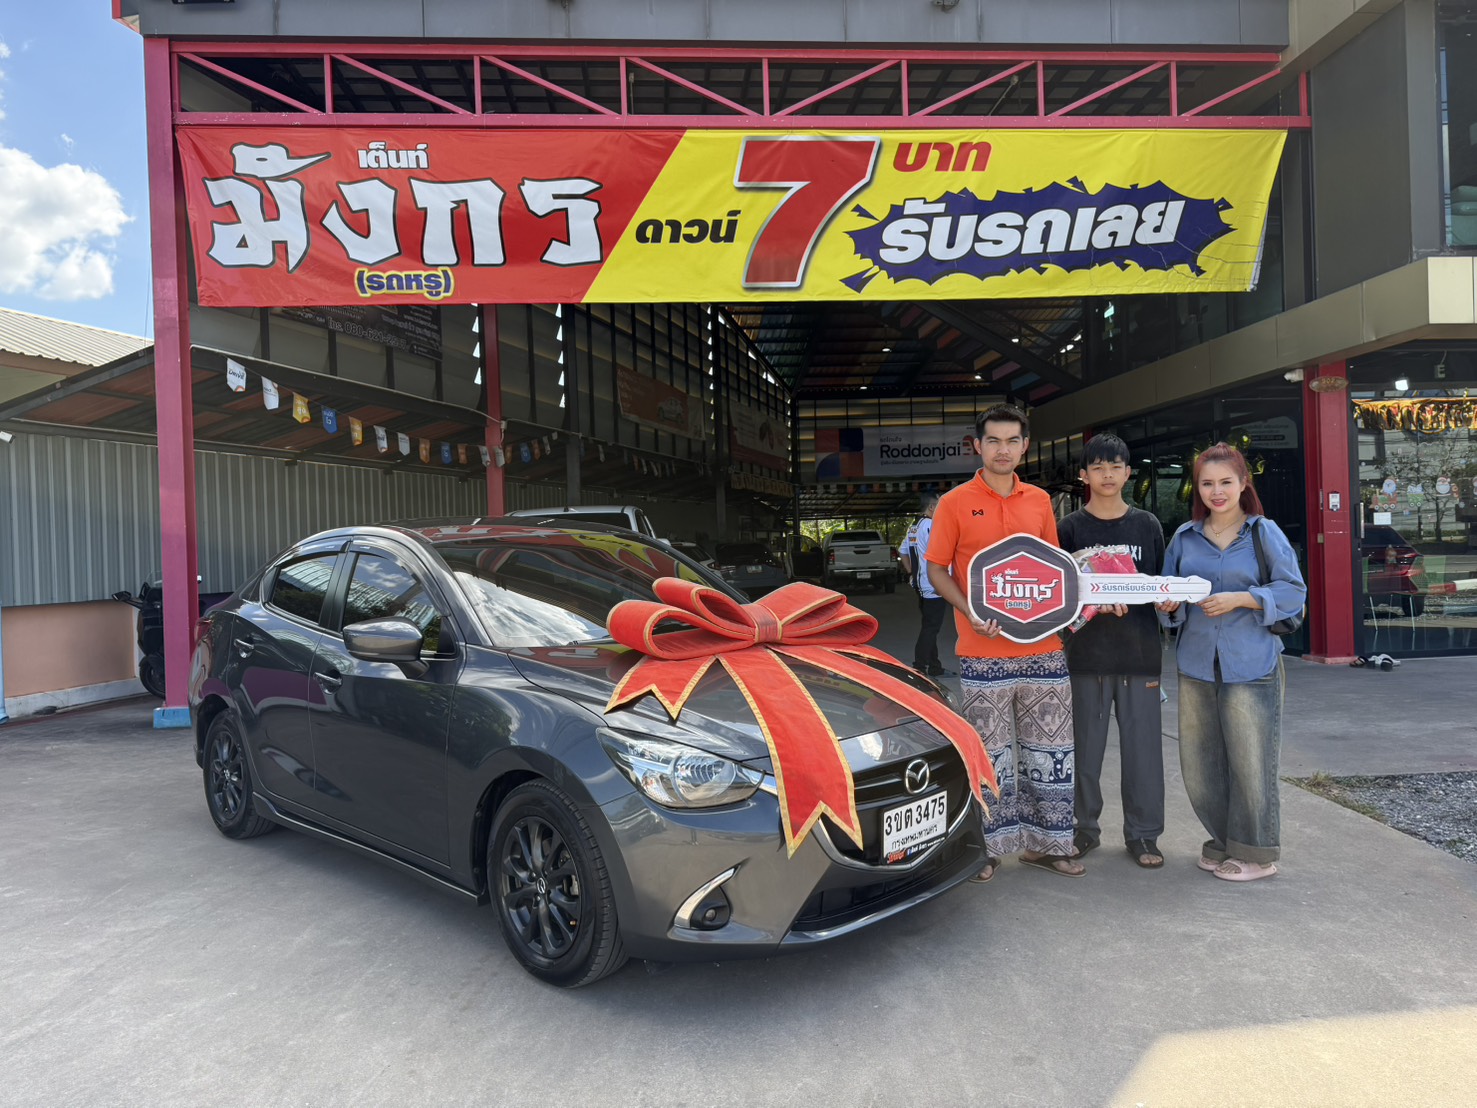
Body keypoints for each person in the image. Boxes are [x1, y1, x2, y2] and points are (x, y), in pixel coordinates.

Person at [926, 405, 1083, 881]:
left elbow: (1053, 567)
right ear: (977, 445)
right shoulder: (954, 503)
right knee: (989, 756)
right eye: (993, 441)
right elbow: (936, 569)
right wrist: (970, 611)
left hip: (1043, 649)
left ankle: (1049, 845)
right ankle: (987, 850)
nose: (1002, 450)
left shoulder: (1038, 500)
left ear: (1024, 446)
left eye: (1012, 441)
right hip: (982, 653)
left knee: (1050, 753)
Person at [1157, 443, 1307, 883]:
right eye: (1207, 483)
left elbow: (1293, 591)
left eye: (1226, 482)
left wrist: (1242, 598)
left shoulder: (1263, 533)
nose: (1216, 491)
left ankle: (1255, 853)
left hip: (1251, 663)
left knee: (1250, 761)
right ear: (1197, 488)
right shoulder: (1184, 537)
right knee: (1200, 764)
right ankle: (1224, 841)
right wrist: (1168, 605)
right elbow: (1169, 600)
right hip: (1197, 663)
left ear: (1243, 483)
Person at [1056, 434, 1167, 870]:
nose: (1107, 475)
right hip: (1086, 657)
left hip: (1140, 656)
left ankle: (1143, 835)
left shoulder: (1147, 525)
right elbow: (1060, 595)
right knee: (1084, 753)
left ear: (1128, 473)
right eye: (1098, 467)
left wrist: (1169, 602)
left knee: (1144, 754)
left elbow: (1160, 584)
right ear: (1084, 475)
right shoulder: (1069, 529)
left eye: (1115, 466)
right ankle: (1083, 829)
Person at [900, 493, 952, 677]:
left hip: (921, 583)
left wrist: (911, 573)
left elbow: (903, 551)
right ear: (931, 507)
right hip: (933, 584)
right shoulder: (931, 525)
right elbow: (940, 554)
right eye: (939, 504)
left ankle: (935, 666)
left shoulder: (914, 527)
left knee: (929, 626)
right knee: (931, 628)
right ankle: (919, 667)